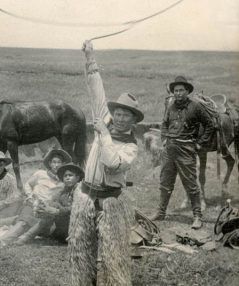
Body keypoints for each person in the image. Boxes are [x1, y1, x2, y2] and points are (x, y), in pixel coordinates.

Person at [68, 41, 144, 286]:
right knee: (81, 254)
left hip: (111, 202)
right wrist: (90, 57)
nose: (120, 119)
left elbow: (111, 164)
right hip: (85, 197)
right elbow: (96, 88)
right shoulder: (105, 120)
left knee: (114, 258)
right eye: (118, 114)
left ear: (134, 120)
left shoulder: (130, 147)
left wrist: (105, 134)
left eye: (126, 116)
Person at [149, 76, 214, 229]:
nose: (178, 93)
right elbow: (164, 123)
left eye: (181, 90)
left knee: (191, 185)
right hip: (169, 149)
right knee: (165, 182)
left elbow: (209, 125)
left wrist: (199, 144)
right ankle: (161, 212)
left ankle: (197, 216)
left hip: (186, 149)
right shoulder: (170, 106)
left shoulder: (196, 107)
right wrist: (164, 138)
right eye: (175, 90)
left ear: (187, 91)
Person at [0, 149, 72, 246]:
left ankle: (2, 230)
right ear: (49, 163)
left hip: (46, 209)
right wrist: (29, 195)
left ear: (63, 164)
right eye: (54, 162)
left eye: (59, 162)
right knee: (25, 219)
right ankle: (3, 233)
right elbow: (28, 183)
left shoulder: (64, 180)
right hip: (32, 203)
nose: (56, 165)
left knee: (27, 220)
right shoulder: (40, 174)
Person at [20, 163, 85, 244]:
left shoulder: (81, 190)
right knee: (51, 205)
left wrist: (56, 211)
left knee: (54, 206)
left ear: (77, 178)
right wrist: (44, 206)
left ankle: (28, 236)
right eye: (65, 176)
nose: (67, 178)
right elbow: (53, 201)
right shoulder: (63, 192)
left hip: (77, 229)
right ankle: (25, 236)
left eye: (70, 175)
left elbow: (78, 208)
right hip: (65, 228)